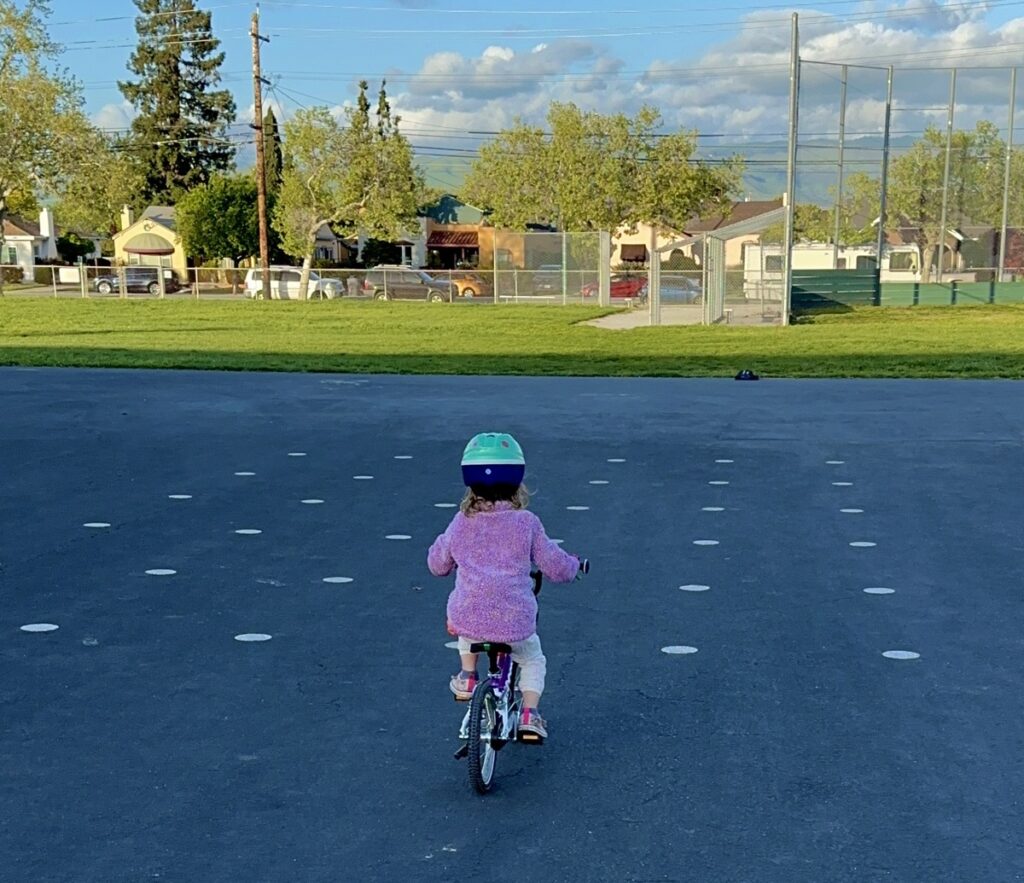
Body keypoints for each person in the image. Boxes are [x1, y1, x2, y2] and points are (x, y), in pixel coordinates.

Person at [427, 432, 584, 740]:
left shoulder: (461, 522)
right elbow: (555, 565)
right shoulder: (526, 523)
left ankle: (468, 675)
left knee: (465, 627)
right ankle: (529, 714)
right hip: (515, 622)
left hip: (469, 618)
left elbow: (438, 564)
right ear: (517, 480)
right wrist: (575, 566)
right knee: (532, 658)